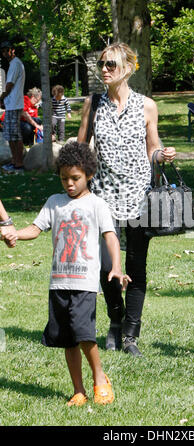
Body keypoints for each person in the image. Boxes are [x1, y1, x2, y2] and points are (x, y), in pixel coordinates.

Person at [3, 141, 131, 407]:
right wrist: (16, 233)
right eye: (64, 179)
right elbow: (36, 229)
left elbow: (110, 237)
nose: (69, 184)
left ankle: (100, 379)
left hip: (84, 283)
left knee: (84, 334)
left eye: (75, 178)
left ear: (89, 175)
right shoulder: (55, 202)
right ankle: (78, 390)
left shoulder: (97, 204)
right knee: (68, 340)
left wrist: (116, 267)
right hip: (59, 282)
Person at [77, 42, 176, 357]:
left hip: (139, 196)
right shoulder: (93, 104)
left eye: (111, 65)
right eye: (102, 65)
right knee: (107, 265)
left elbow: (153, 146)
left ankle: (131, 335)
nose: (104, 70)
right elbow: (80, 150)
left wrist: (162, 154)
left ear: (128, 69)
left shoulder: (146, 105)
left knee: (136, 264)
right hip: (103, 196)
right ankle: (115, 320)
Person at [0, 41, 25, 173]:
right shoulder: (13, 64)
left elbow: (9, 85)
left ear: (12, 50)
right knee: (10, 135)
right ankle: (14, 161)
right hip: (11, 105)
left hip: (14, 105)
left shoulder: (15, 63)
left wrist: (1, 97)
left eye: (6, 50)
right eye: (3, 51)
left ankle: (19, 164)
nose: (4, 53)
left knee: (15, 135)